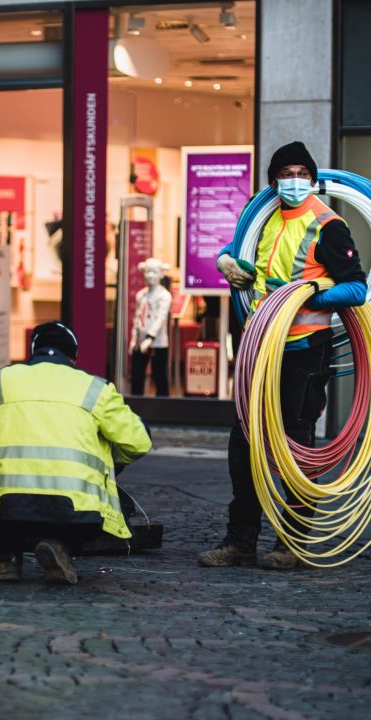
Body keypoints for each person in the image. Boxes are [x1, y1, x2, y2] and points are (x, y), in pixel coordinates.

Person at [198, 140, 367, 570]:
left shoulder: (328, 226)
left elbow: (357, 288)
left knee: (295, 445)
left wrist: (312, 290)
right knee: (245, 447)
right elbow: (257, 272)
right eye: (285, 173)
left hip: (305, 351)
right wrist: (228, 263)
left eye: (301, 173)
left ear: (313, 179)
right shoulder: (265, 220)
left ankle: (290, 542)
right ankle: (240, 541)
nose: (294, 181)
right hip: (260, 347)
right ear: (273, 180)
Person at [0, 321, 152, 584]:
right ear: (73, 357)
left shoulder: (0, 380)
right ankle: (60, 545)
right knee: (106, 440)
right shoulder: (96, 388)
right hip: (77, 511)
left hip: (8, 508)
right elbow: (140, 442)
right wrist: (104, 457)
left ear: (32, 352)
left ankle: (8, 558)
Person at [129, 258, 172, 396]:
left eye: (154, 272)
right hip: (140, 342)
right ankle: (136, 404)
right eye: (148, 272)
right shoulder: (141, 295)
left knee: (159, 375)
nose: (150, 276)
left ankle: (163, 407)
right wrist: (134, 339)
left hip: (158, 343)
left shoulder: (164, 296)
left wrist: (150, 338)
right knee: (137, 375)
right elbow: (137, 318)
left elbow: (160, 318)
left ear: (161, 274)